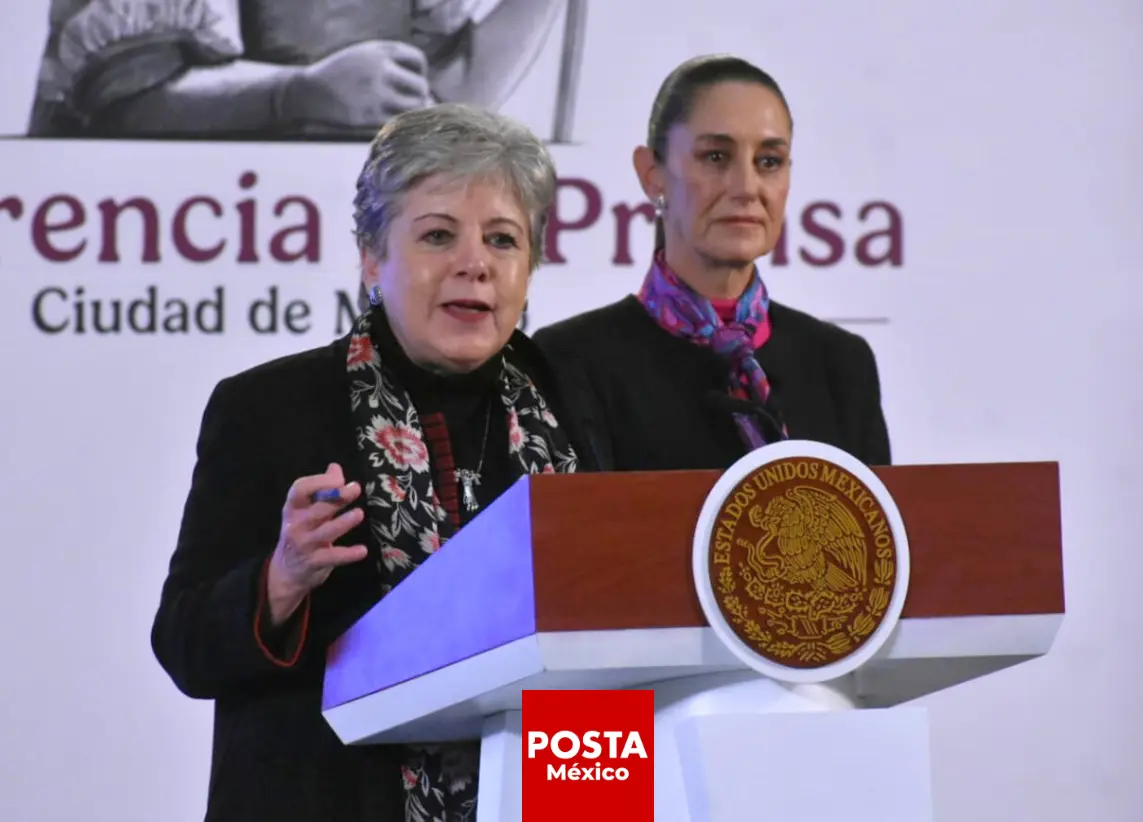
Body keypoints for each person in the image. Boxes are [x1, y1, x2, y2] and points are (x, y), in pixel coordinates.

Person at [150, 103, 597, 822]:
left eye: (503, 239)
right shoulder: (268, 408)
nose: (474, 263)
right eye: (438, 235)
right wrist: (280, 580)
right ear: (371, 256)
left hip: (550, 797)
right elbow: (183, 644)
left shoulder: (576, 409)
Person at [533, 54, 892, 470]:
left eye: (769, 161)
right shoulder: (571, 360)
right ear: (652, 174)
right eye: (716, 157)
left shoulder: (841, 364)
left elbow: (877, 530)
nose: (747, 187)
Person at [28, 0, 563, 139]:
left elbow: (443, 99)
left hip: (339, 241)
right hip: (169, 245)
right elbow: (123, 99)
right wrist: (298, 93)